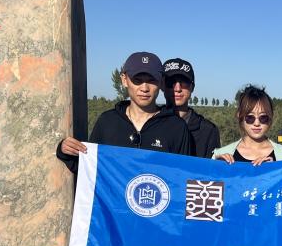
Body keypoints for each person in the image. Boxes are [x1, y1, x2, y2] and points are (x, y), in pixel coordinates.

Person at [56, 51, 190, 171]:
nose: (144, 88)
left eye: (151, 81)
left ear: (161, 82)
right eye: (137, 80)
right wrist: (66, 151)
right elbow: (91, 170)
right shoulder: (107, 122)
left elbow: (185, 177)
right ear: (124, 80)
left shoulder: (176, 127)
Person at [213, 85, 282, 165]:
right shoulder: (221, 156)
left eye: (263, 117)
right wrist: (217, 166)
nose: (257, 123)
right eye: (250, 117)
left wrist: (274, 168)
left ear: (271, 117)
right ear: (240, 116)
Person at [162, 57, 220, 159]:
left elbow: (211, 167)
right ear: (162, 86)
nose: (178, 89)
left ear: (192, 87)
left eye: (184, 82)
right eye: (171, 82)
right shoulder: (150, 124)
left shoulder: (208, 131)